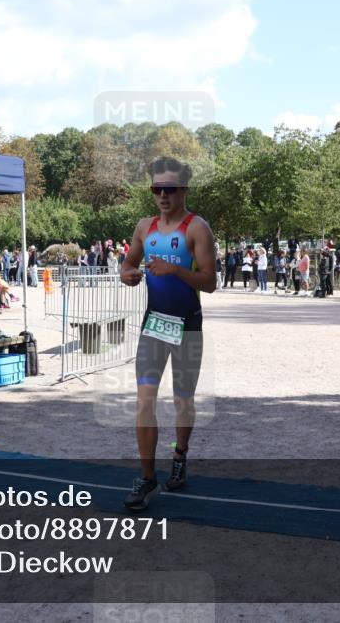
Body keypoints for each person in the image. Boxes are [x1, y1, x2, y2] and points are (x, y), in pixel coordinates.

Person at [119, 157, 217, 511]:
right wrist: (125, 273)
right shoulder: (145, 227)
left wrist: (175, 270)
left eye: (169, 189)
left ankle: (180, 454)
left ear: (184, 190)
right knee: (144, 401)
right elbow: (128, 262)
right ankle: (147, 478)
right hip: (154, 324)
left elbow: (211, 283)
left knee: (182, 402)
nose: (161, 194)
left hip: (188, 325)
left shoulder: (197, 229)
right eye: (156, 188)